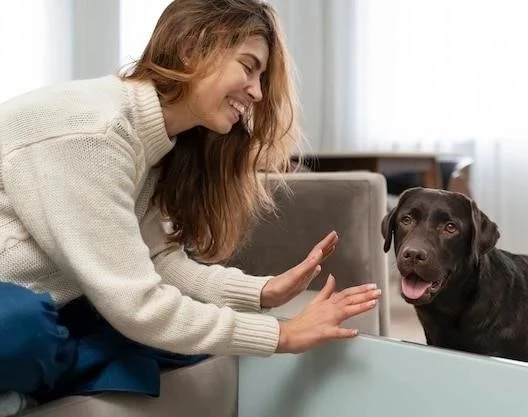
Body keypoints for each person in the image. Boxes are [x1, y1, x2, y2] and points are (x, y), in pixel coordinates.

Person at [0, 0, 381, 414]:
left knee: (179, 338)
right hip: (17, 305)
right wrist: (280, 336)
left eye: (262, 76)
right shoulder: (96, 134)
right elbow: (137, 302)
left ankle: (34, 379)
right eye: (249, 66)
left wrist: (261, 292)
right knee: (27, 326)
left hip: (53, 300)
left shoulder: (153, 141)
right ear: (191, 48)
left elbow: (154, 259)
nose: (256, 91)